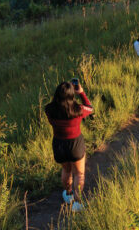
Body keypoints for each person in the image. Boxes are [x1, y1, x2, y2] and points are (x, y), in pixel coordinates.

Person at [44, 80, 94, 212]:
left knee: (66, 171)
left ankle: (68, 194)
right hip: (75, 144)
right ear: (72, 95)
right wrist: (81, 93)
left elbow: (54, 109)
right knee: (79, 174)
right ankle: (77, 203)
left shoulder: (49, 109)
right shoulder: (78, 110)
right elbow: (90, 108)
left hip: (59, 144)